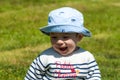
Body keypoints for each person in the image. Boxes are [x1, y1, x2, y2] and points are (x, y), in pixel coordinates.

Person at [24, 7, 101, 80]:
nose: (59, 42)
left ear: (79, 37)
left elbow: (94, 76)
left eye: (65, 37)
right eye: (54, 37)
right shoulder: (45, 57)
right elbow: (32, 77)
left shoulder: (86, 57)